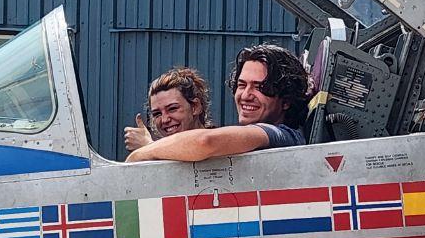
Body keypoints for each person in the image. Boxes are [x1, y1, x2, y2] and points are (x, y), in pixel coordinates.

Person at [126, 44, 309, 163]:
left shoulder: (282, 135)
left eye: (260, 87)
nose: (246, 95)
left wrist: (144, 151)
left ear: (286, 100)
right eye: (241, 85)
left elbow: (204, 142)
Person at [124, 67, 213, 152]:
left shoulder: (217, 145)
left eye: (172, 108)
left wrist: (148, 147)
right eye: (157, 114)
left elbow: (200, 151)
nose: (165, 120)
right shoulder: (152, 155)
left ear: (195, 107)